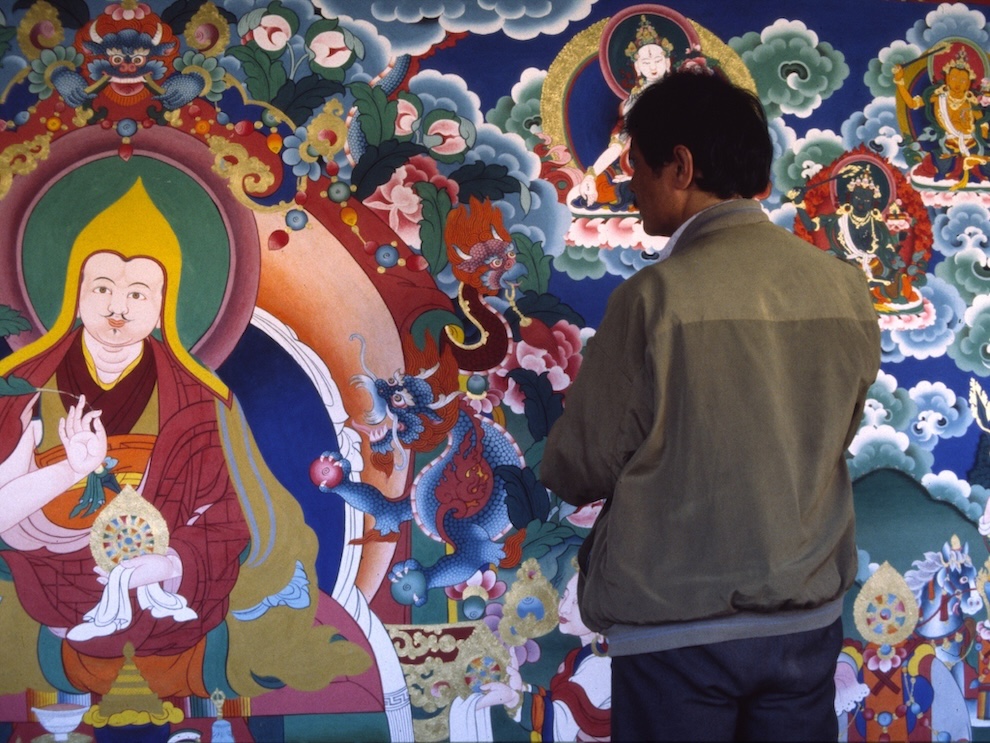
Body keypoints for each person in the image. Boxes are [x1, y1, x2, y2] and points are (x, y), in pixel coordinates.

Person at [540, 69, 881, 741]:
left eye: (634, 165)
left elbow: (578, 465)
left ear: (681, 166)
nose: (624, 180)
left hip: (676, 630)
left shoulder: (653, 298)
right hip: (803, 619)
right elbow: (837, 431)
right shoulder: (844, 290)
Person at [0, 179, 371, 701]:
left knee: (269, 627)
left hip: (163, 589)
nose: (118, 309)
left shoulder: (202, 403)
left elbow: (232, 521)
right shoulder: (21, 392)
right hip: (41, 582)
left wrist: (172, 566)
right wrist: (66, 472)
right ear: (75, 294)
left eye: (137, 294)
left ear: (162, 307)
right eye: (102, 287)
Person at [478, 568, 612, 740]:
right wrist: (522, 688)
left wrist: (513, 699)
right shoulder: (583, 656)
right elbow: (559, 701)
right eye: (565, 596)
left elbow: (559, 724)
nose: (563, 609)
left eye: (576, 603)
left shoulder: (601, 664)